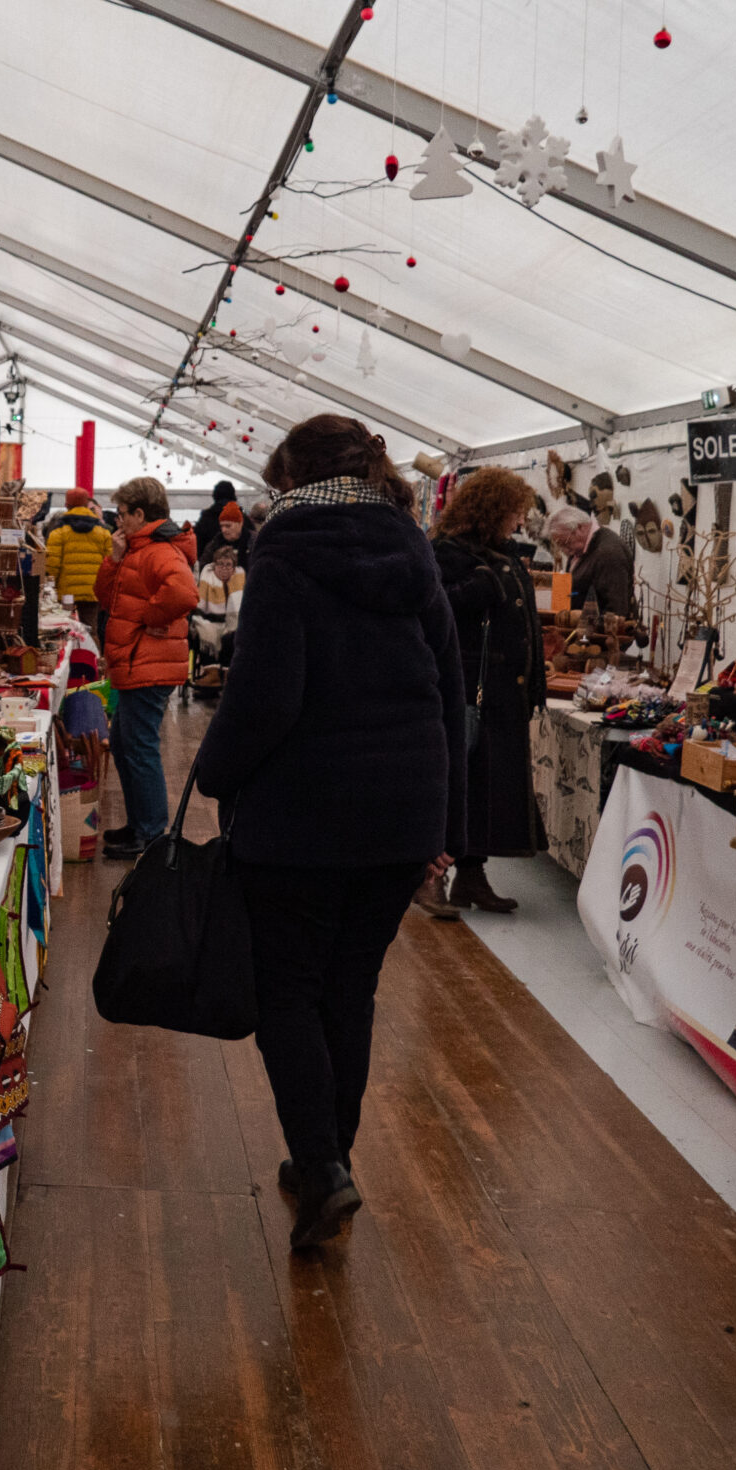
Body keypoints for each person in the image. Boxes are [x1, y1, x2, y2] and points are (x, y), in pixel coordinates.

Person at [195, 415, 466, 1250]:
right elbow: (453, 694)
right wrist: (442, 817)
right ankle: (329, 1159)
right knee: (350, 990)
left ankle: (320, 1165)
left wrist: (212, 774)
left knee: (287, 991)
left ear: (293, 478)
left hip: (301, 818)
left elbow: (267, 697)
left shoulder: (286, 554)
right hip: (399, 817)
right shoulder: (414, 551)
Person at [432, 467, 545, 914]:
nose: (518, 521)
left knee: (484, 790)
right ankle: (432, 879)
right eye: (514, 511)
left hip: (502, 696)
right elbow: (431, 607)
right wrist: (474, 590)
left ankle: (471, 877)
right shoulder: (448, 552)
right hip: (466, 691)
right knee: (455, 786)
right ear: (493, 508)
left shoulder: (500, 552)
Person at [96, 476, 196, 860]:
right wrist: (114, 558)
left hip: (147, 665)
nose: (117, 521)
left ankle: (153, 834)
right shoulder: (138, 549)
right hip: (136, 663)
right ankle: (142, 824)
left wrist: (148, 617)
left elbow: (185, 592)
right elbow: (104, 597)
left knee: (138, 748)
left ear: (140, 513)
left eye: (122, 513)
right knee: (125, 745)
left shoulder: (160, 551)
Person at [546, 504, 635, 617]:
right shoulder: (579, 549)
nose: (564, 550)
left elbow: (615, 612)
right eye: (559, 545)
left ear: (580, 528)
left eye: (565, 543)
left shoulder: (608, 554)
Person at [44, 490, 114, 632]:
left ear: (66, 504)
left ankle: (71, 654)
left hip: (66, 592)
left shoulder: (58, 532)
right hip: (93, 591)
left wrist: (51, 588)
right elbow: (110, 564)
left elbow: (52, 565)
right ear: (87, 503)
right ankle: (92, 654)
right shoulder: (103, 532)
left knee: (66, 630)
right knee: (91, 630)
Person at [190, 541, 243, 688]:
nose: (224, 569)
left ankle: (228, 674)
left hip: (233, 622)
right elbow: (199, 607)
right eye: (220, 564)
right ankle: (212, 674)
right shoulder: (207, 578)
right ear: (214, 565)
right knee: (205, 632)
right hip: (209, 620)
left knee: (230, 636)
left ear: (234, 567)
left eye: (228, 565)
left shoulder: (241, 579)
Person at [193, 479, 239, 564]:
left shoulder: (206, 518)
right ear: (233, 496)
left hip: (211, 567)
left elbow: (197, 545)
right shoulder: (241, 518)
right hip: (238, 568)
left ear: (215, 496)